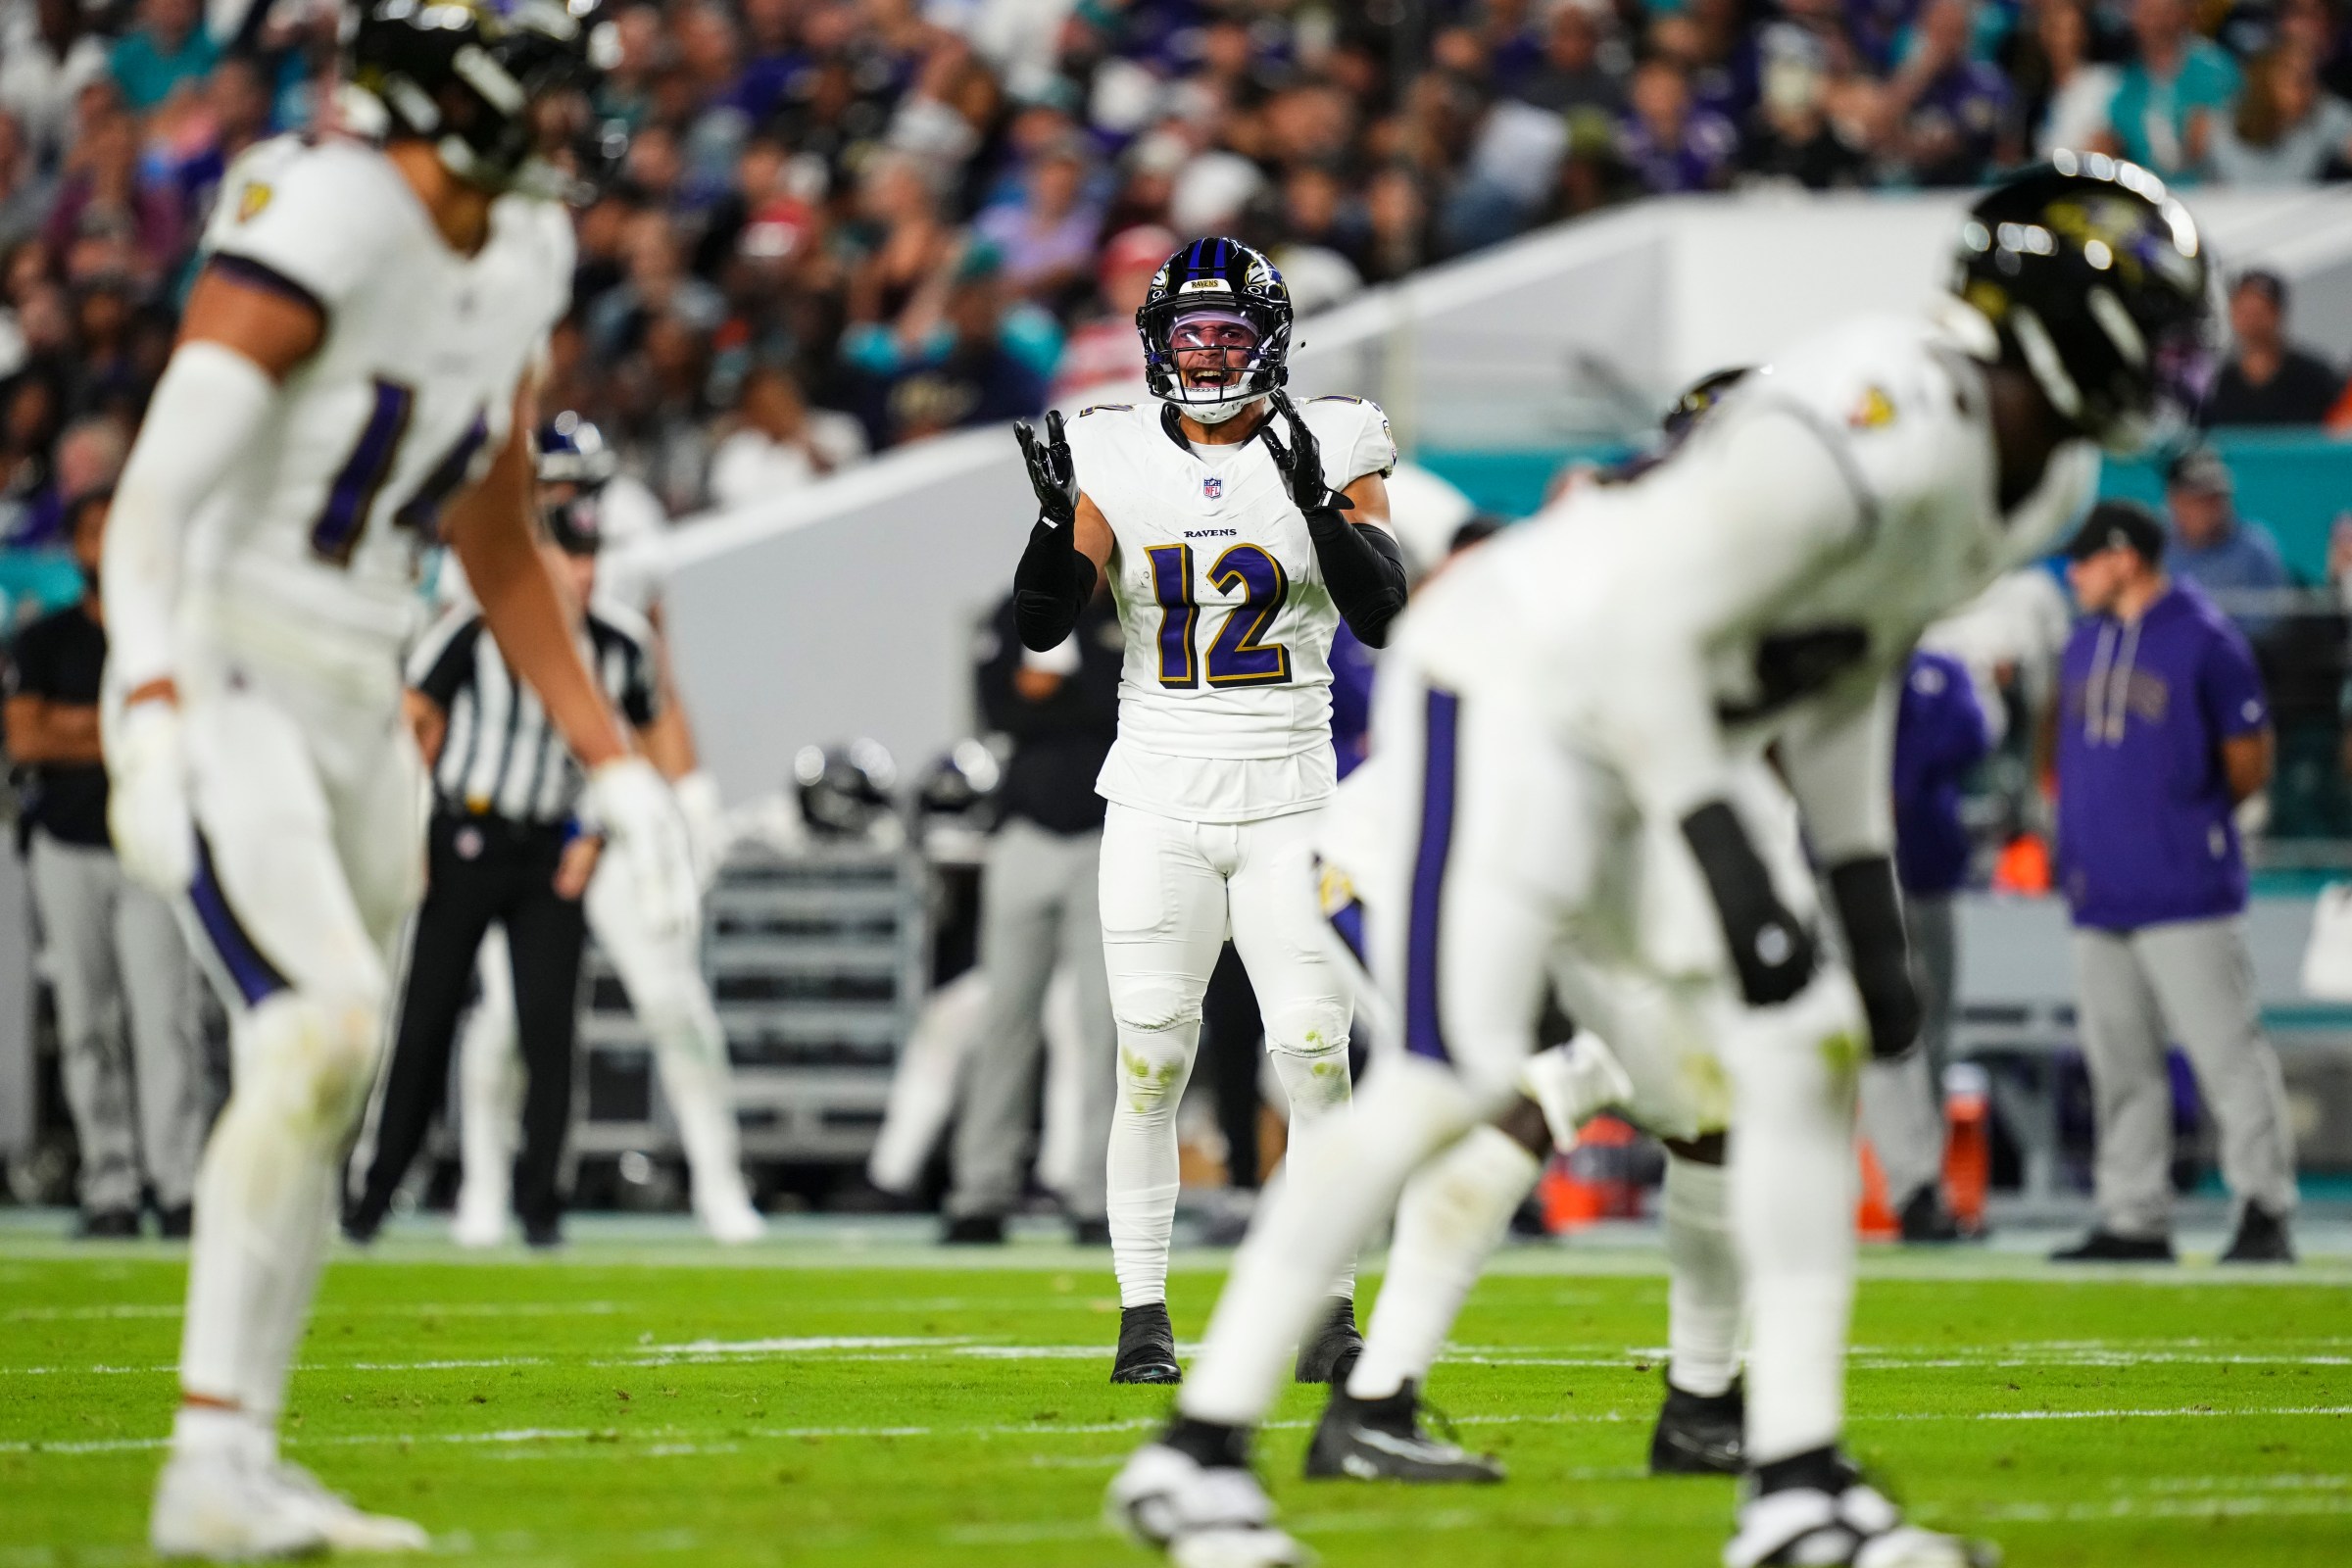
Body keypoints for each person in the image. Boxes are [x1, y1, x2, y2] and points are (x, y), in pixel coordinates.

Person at [1106, 155, 2208, 1568]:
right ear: (2063, 315)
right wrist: (1737, 873)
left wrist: (1862, 896)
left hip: (1660, 725)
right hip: (1522, 684)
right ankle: (1198, 1457)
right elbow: (1646, 645)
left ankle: (1796, 1484)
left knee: (1804, 1054)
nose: (2172, 359)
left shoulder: (2042, 477)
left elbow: (1843, 667)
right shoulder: (1875, 410)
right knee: (1459, 1071)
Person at [103, 3, 695, 1555]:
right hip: (226, 662)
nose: (573, 122)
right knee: (320, 1030)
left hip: (361, 686)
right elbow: (153, 495)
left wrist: (610, 756)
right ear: (467, 83)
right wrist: (151, 697)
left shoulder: (519, 254)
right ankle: (204, 1464)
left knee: (327, 1078)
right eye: (551, 85)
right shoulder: (332, 211)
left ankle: (237, 1459)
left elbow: (494, 522)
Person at [1008, 236, 1408, 1386]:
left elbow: (1382, 606)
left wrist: (1313, 499)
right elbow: (1043, 625)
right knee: (1150, 1053)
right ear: (1158, 345)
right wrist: (1048, 531)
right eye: (1192, 335)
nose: (1211, 354)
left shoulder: (1332, 436)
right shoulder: (1111, 448)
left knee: (1317, 1054)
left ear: (1272, 343)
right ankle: (1143, 1312)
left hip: (1292, 792)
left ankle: (1329, 1307)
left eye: (1232, 334)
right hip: (1159, 791)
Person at [436, 416, 766, 1249]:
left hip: (612, 804)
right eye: (550, 485)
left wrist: (689, 793)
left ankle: (720, 1189)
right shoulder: (476, 546)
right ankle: (483, 1187)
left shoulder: (630, 548)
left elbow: (656, 678)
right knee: (507, 1016)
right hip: (519, 811)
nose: (563, 502)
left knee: (672, 999)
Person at [343, 477, 659, 1250]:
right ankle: (377, 1188)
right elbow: (416, 721)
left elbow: (628, 742)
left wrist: (594, 835)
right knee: (425, 1021)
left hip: (552, 849)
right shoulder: (473, 632)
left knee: (550, 1030)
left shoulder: (619, 645)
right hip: (466, 840)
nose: (582, 573)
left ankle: (541, 1201)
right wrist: (409, 833)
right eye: (567, 554)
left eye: (591, 556)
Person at [2049, 500, 2298, 1264]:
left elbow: (2251, 757)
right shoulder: (2083, 645)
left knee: (2227, 1056)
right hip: (2103, 893)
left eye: (2086, 560)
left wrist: (2190, 828)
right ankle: (2133, 1215)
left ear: (2124, 558)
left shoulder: (2205, 639)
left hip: (2186, 890)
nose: (2073, 574)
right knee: (2119, 1066)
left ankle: (2265, 1206)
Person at [6, 488, 208, 1238]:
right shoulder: (47, 639)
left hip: (150, 850)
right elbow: (27, 741)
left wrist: (80, 725)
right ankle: (110, 1184)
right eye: (89, 532)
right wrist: (129, 730)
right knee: (89, 1022)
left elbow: (189, 732)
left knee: (167, 1022)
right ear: (75, 548)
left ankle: (177, 1181)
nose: (101, 546)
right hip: (67, 844)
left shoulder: (166, 635)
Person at [939, 585, 1121, 1245]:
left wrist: (1056, 695)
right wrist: (1076, 702)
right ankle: (979, 1191)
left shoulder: (1135, 604)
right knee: (1003, 1021)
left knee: (1107, 1026)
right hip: (1025, 832)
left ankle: (1099, 1197)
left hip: (1112, 833)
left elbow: (1129, 708)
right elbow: (999, 708)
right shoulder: (1020, 608)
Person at [1868, 647, 1991, 1244]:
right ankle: (1908, 1186)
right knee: (1864, 1033)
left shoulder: (1940, 671)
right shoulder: (1839, 666)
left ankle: (1922, 1188)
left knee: (1929, 1031)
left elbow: (1975, 734)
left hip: (1925, 871)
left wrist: (1900, 779)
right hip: (1845, 874)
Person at [2161, 445, 2289, 638]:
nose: (2213, 509)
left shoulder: (2254, 546)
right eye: (2201, 499)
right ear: (2176, 500)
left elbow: (2276, 619)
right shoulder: (2154, 543)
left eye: (2218, 498)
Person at [2204, 270, 2343, 426]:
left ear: (2277, 313)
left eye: (2259, 310)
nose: (2251, 319)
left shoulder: (2314, 377)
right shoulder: (2221, 383)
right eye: (2243, 310)